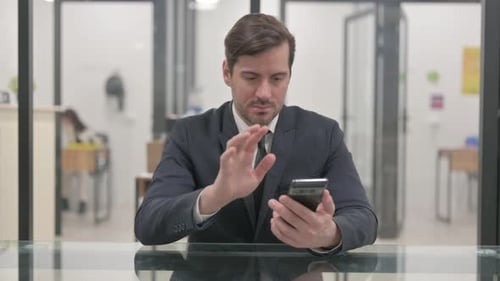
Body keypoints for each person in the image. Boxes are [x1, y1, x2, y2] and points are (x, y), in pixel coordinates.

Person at [135, 13, 377, 254]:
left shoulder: (324, 133)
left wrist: (328, 233)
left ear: (289, 75)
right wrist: (215, 196)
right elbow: (147, 225)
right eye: (251, 78)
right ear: (227, 73)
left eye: (277, 78)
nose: (264, 92)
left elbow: (363, 218)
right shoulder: (190, 133)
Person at [61, 108, 101, 214]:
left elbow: (94, 138)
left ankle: (83, 201)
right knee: (66, 172)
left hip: (81, 161)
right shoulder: (62, 129)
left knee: (82, 173)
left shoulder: (83, 129)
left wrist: (80, 138)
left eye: (67, 119)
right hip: (68, 161)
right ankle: (64, 199)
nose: (66, 122)